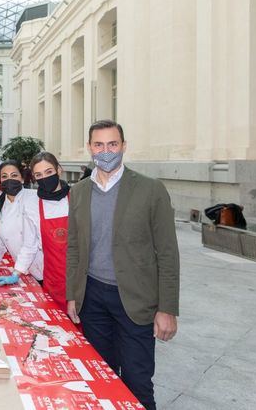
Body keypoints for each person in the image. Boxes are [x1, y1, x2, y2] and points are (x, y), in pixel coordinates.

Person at [66, 120, 179, 410]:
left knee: (138, 383)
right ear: (90, 148)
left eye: (112, 144)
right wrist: (72, 295)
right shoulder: (78, 192)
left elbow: (167, 253)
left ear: (124, 146)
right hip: (93, 299)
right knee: (99, 379)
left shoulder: (150, 190)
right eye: (99, 145)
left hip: (135, 301)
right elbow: (75, 247)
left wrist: (167, 308)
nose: (106, 151)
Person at [18, 152, 70, 311]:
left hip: (81, 280)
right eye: (38, 175)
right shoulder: (32, 205)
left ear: (59, 170)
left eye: (49, 172)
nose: (44, 178)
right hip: (53, 278)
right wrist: (17, 271)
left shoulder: (76, 197)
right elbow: (29, 244)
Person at [0, 160, 42, 286]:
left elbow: (31, 243)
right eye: (4, 177)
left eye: (14, 175)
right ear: (0, 181)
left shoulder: (33, 199)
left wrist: (16, 272)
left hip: (41, 265)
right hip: (22, 268)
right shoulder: (1, 204)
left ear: (22, 179)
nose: (9, 180)